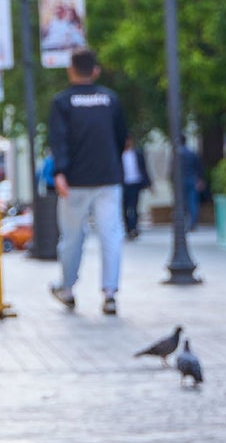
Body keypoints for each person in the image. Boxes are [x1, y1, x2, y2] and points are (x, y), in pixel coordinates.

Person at [47, 47, 127, 316]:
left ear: (71, 70)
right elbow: (120, 137)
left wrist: (59, 172)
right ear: (95, 71)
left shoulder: (62, 102)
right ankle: (110, 293)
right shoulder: (110, 99)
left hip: (74, 181)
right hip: (108, 178)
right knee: (111, 235)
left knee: (71, 237)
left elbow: (58, 140)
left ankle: (68, 289)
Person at [121, 136, 151, 239]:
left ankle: (134, 228)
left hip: (135, 183)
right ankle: (128, 228)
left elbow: (144, 168)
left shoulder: (137, 153)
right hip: (123, 184)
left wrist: (149, 184)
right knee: (124, 207)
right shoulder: (119, 153)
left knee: (134, 206)